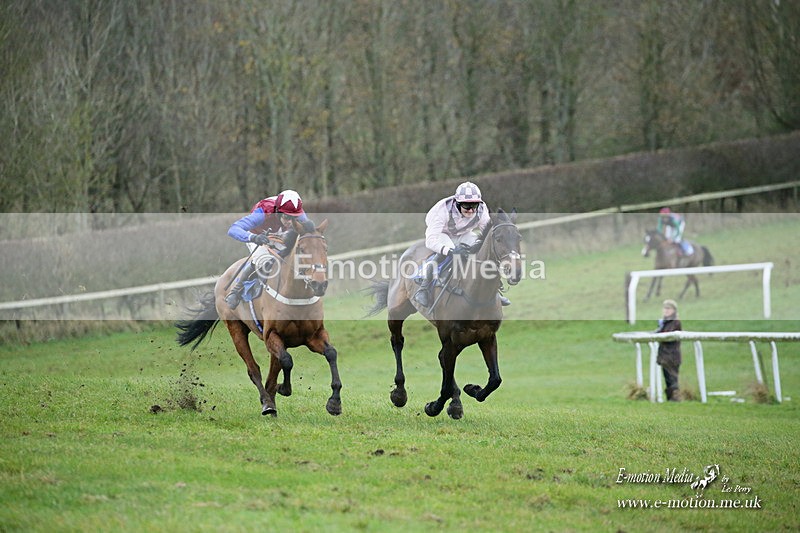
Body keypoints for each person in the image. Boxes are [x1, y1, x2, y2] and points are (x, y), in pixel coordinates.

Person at [414, 181, 511, 308]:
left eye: (474, 205)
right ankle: (423, 288)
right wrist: (450, 251)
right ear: (457, 203)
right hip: (442, 233)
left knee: (482, 249)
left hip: (464, 232)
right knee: (451, 251)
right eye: (466, 205)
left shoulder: (481, 209)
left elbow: (487, 234)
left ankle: (495, 289)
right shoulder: (442, 211)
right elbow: (430, 241)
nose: (471, 210)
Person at [224, 190, 314, 309]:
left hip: (282, 234)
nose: (290, 222)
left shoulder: (299, 214)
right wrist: (254, 237)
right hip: (258, 235)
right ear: (278, 212)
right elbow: (233, 229)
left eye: (294, 218)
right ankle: (236, 291)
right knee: (264, 262)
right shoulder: (263, 212)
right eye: (287, 217)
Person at [655, 299, 682, 402]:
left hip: (672, 356)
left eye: (668, 308)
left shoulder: (675, 322)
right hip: (665, 356)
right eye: (665, 308)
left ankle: (675, 398)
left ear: (674, 310)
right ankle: (670, 398)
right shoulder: (665, 322)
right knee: (667, 378)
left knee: (672, 378)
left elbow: (667, 336)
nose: (666, 310)